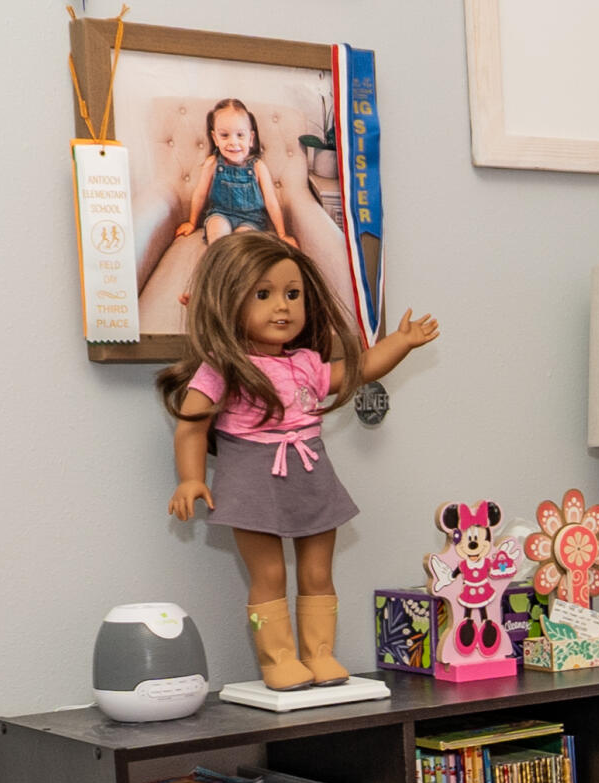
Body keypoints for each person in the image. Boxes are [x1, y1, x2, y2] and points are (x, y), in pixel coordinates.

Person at [157, 235, 439, 688]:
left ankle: (320, 654)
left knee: (316, 569)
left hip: (310, 469)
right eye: (263, 295)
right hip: (250, 473)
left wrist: (401, 344)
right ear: (227, 300)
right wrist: (190, 479)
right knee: (268, 572)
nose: (282, 307)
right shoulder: (222, 367)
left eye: (292, 294)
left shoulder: (307, 362)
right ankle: (279, 659)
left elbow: (358, 370)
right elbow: (191, 425)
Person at [172, 99, 297, 248]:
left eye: (240, 135)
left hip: (251, 220)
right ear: (215, 138)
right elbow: (200, 194)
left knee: (242, 243)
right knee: (217, 232)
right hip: (220, 214)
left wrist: (282, 234)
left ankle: (236, 265)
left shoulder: (258, 167)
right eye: (224, 135)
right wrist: (192, 222)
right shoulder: (212, 164)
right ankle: (217, 261)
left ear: (251, 139)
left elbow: (271, 202)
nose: (233, 142)